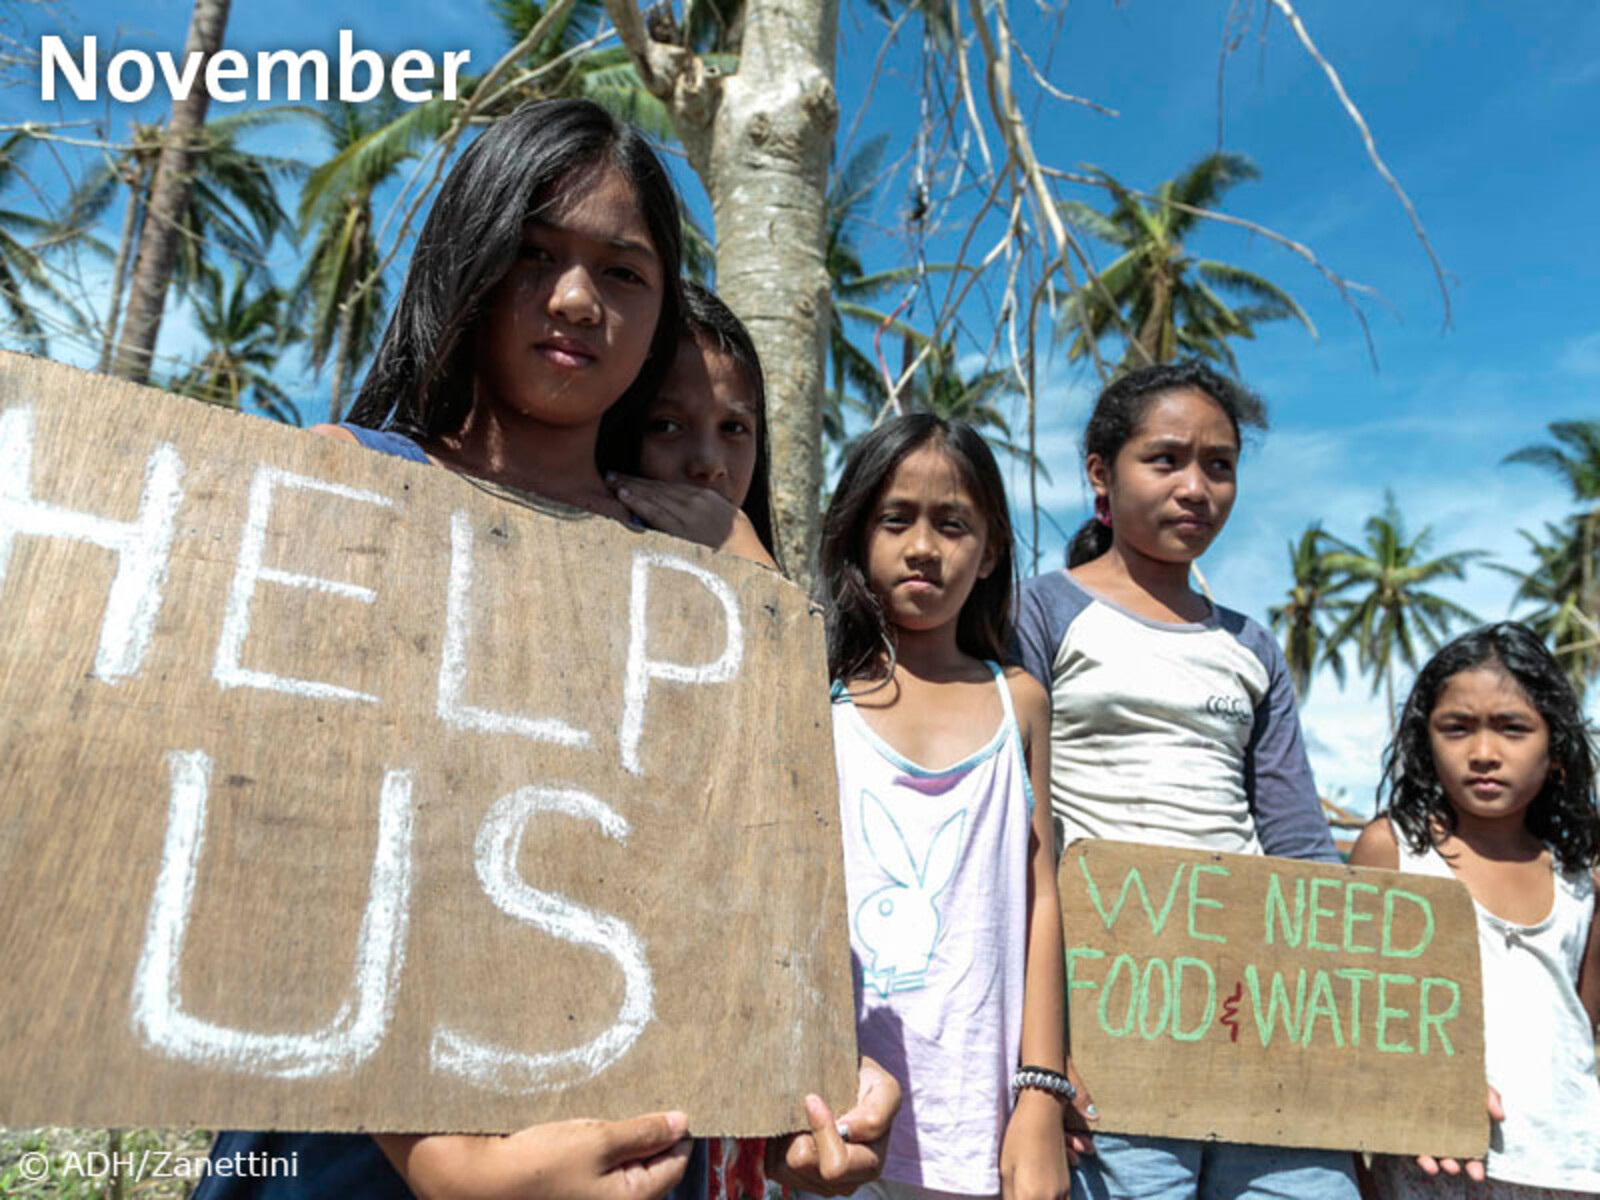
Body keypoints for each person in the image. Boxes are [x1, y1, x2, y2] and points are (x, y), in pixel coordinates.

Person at [196, 97, 897, 1200]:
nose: (575, 299)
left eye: (622, 272)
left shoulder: (706, 575)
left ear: (665, 311)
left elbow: (758, 872)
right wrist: (442, 1161)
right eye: (533, 254)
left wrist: (815, 1089)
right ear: (467, 258)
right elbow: (281, 854)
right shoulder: (347, 481)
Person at [1011, 361, 1358, 1198]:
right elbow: (1020, 827)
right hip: (1110, 1010)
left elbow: (1300, 843)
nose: (1196, 487)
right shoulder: (1042, 611)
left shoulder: (1251, 646)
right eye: (1165, 460)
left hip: (1259, 1015)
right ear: (1101, 472)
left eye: (1219, 464)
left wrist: (1365, 1036)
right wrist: (1043, 1057)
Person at [819, 414, 1094, 1200]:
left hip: (978, 1116)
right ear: (855, 532)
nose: (923, 548)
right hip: (836, 1112)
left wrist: (1039, 1091)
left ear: (993, 548)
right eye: (895, 518)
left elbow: (1043, 896)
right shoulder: (817, 692)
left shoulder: (1021, 702)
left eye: (953, 524)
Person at [1352, 622, 1600, 1199]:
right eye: (1457, 729)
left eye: (1513, 729)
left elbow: (1582, 1026)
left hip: (1567, 1166)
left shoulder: (1580, 878)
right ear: (1425, 742)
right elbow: (1355, 1013)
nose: (1484, 753)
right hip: (1432, 1165)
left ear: (1556, 751)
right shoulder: (1395, 852)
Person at [608, 280, 779, 568]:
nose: (709, 463)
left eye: (733, 428)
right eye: (666, 426)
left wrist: (753, 564)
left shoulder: (752, 556)